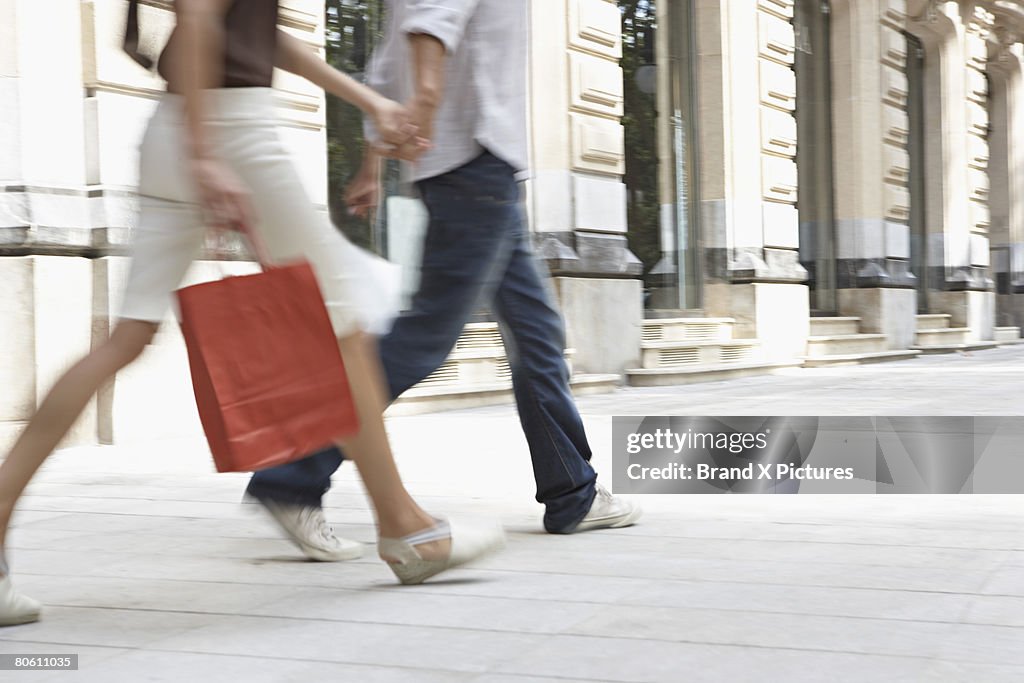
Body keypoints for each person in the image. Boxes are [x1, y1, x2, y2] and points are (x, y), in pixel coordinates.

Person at [0, 0, 505, 626]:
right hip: (228, 129)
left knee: (127, 339)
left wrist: (367, 102)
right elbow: (203, 21)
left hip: (183, 128)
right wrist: (208, 154)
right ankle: (405, 529)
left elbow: (262, 33)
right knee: (341, 327)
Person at [244, 0, 641, 561]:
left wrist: (372, 163)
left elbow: (386, 67)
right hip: (474, 162)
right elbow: (430, 25)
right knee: (426, 336)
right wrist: (427, 103)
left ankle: (571, 490)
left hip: (474, 167)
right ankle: (291, 477)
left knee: (536, 331)